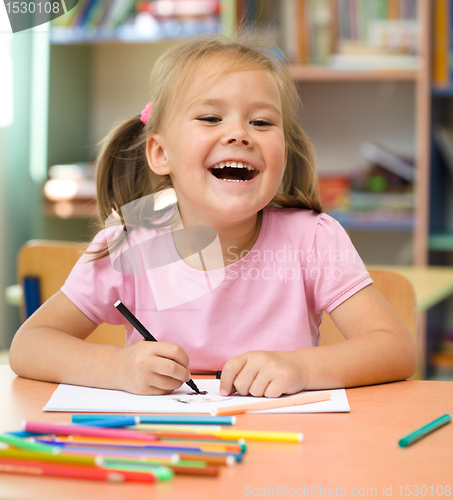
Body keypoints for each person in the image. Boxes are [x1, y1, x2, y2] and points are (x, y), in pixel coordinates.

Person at [9, 34, 417, 398]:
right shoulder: (130, 244)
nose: (239, 133)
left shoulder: (313, 239)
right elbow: (30, 346)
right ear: (161, 153)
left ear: (283, 153)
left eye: (261, 122)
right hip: (161, 458)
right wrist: (116, 368)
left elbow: (395, 348)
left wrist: (302, 368)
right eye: (210, 117)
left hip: (286, 456)